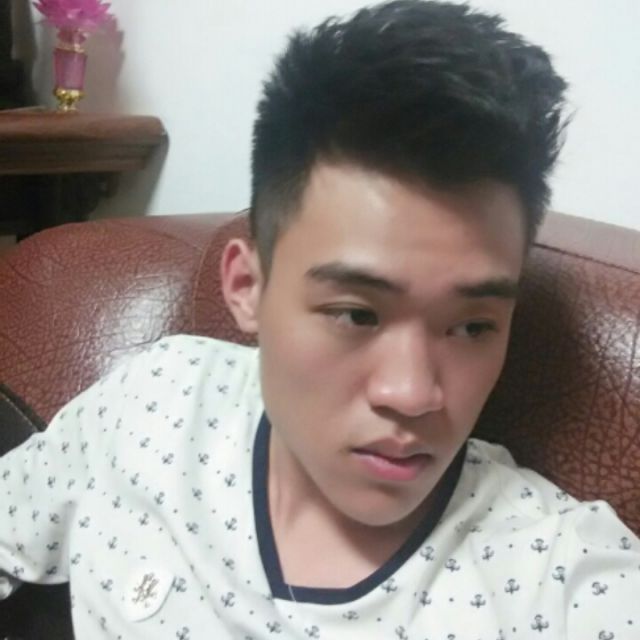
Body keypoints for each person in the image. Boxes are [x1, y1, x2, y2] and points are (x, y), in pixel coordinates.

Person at [1, 1, 639, 638]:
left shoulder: (557, 580)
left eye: (472, 326)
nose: (412, 394)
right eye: (357, 314)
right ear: (247, 287)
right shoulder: (154, 402)